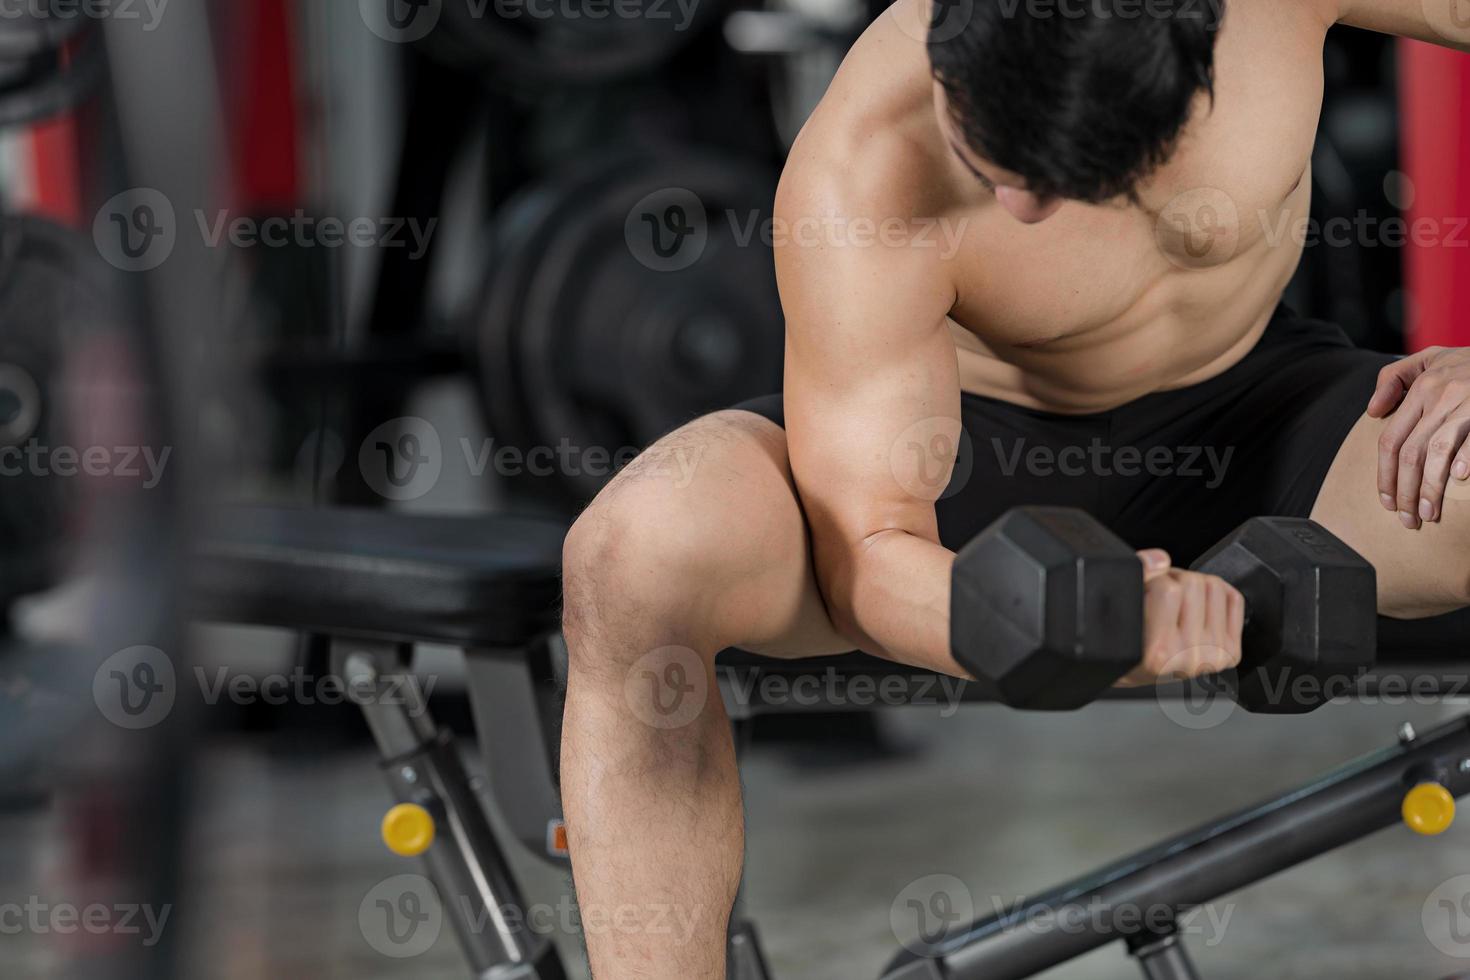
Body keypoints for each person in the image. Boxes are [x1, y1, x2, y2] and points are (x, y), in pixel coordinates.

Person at [559, 1, 1470, 976]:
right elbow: (864, 551)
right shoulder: (869, 159)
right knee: (636, 555)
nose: (1027, 209)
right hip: (955, 467)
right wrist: (1068, 620)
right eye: (995, 168)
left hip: (1277, 422)